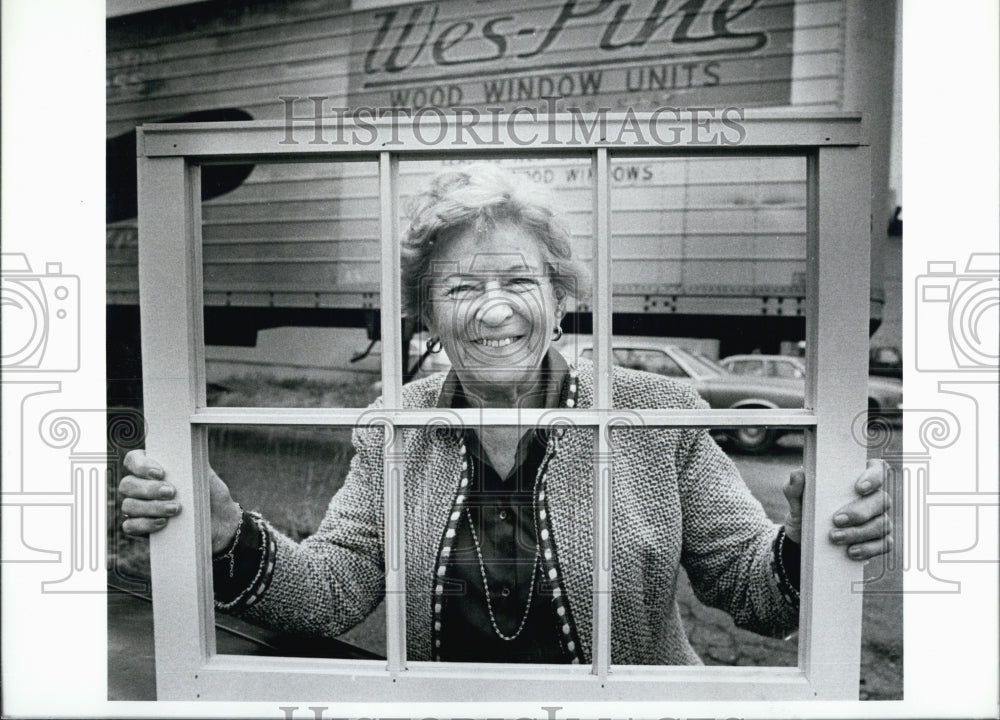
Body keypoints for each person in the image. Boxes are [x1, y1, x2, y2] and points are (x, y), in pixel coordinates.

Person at [119, 163, 892, 665]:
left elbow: (753, 590)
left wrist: (809, 541)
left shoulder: (657, 412)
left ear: (560, 300)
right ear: (427, 316)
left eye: (520, 282)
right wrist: (227, 537)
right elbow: (334, 587)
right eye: (460, 288)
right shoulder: (396, 423)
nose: (494, 311)